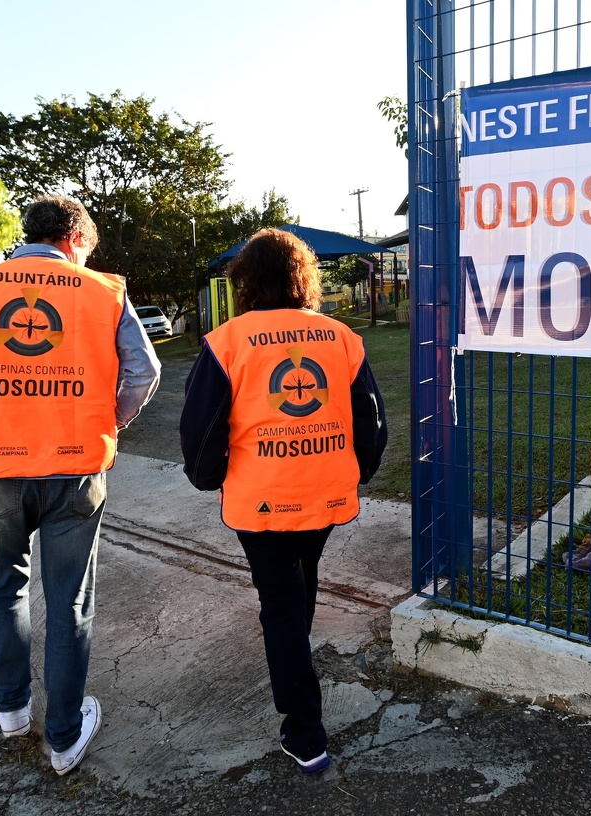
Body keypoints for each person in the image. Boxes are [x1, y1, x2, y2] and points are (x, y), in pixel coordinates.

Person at [0, 195, 160, 776]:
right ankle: (63, 736)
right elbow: (144, 370)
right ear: (75, 238)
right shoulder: (103, 292)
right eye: (88, 250)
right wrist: (109, 418)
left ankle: (10, 711)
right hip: (76, 471)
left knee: (4, 586)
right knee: (69, 598)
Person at [179, 228, 387, 774]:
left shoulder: (227, 342)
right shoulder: (339, 337)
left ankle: (305, 733)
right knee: (299, 587)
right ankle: (298, 671)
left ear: (245, 281)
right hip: (324, 493)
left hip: (261, 501)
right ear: (304, 278)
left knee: (281, 604)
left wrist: (208, 476)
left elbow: (200, 428)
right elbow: (371, 417)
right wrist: (358, 469)